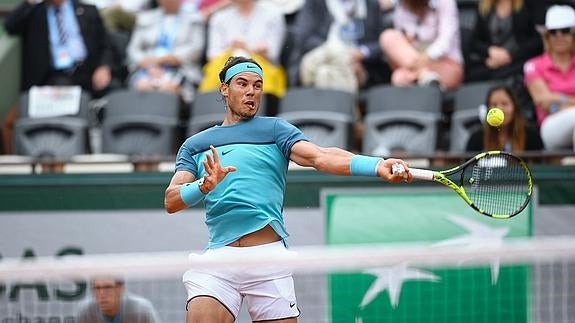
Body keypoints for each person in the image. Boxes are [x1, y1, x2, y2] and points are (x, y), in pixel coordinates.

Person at [163, 56, 413, 323]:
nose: (251, 91)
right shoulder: (196, 145)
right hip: (219, 259)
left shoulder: (274, 129)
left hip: (268, 258)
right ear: (224, 89)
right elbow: (171, 200)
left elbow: (320, 156)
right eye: (242, 83)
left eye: (257, 85)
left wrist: (376, 166)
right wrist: (203, 186)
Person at [288, 0, 391, 93]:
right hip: (322, 56)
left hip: (359, 65)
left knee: (325, 74)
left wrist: (362, 53)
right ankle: (349, 110)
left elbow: (381, 43)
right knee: (333, 60)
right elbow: (304, 38)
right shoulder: (316, 2)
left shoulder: (370, 4)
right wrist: (342, 54)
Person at [198, 0, 287, 99]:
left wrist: (246, 48)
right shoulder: (219, 18)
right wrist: (234, 49)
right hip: (224, 70)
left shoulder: (273, 14)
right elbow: (212, 55)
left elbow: (272, 54)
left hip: (263, 71)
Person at [126, 0, 205, 103]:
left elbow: (196, 48)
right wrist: (148, 63)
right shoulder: (144, 18)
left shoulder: (194, 18)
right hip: (147, 69)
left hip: (180, 69)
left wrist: (167, 59)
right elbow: (133, 49)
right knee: (143, 86)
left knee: (167, 89)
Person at [379, 0, 464, 91]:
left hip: (444, 65)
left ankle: (424, 77)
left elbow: (447, 39)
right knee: (388, 37)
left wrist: (428, 55)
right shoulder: (402, 5)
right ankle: (424, 76)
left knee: (399, 77)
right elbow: (402, 40)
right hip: (413, 62)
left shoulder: (445, 2)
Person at [523, 5, 575, 151]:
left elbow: (551, 101)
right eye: (553, 32)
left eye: (565, 31)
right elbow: (543, 101)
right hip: (550, 126)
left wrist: (558, 99)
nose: (559, 36)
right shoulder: (533, 65)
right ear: (547, 36)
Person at [465, 0, 545, 83]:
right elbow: (474, 42)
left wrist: (510, 56)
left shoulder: (529, 3)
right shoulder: (484, 6)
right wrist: (490, 50)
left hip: (521, 59)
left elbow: (538, 40)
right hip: (493, 61)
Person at [466, 84, 544, 152]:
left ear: (515, 107)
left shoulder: (532, 137)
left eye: (505, 104)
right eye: (494, 105)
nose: (499, 109)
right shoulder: (476, 139)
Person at [76, 276, 161, 323]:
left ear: (121, 288)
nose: (101, 293)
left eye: (107, 287)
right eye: (97, 288)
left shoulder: (142, 310)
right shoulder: (86, 312)